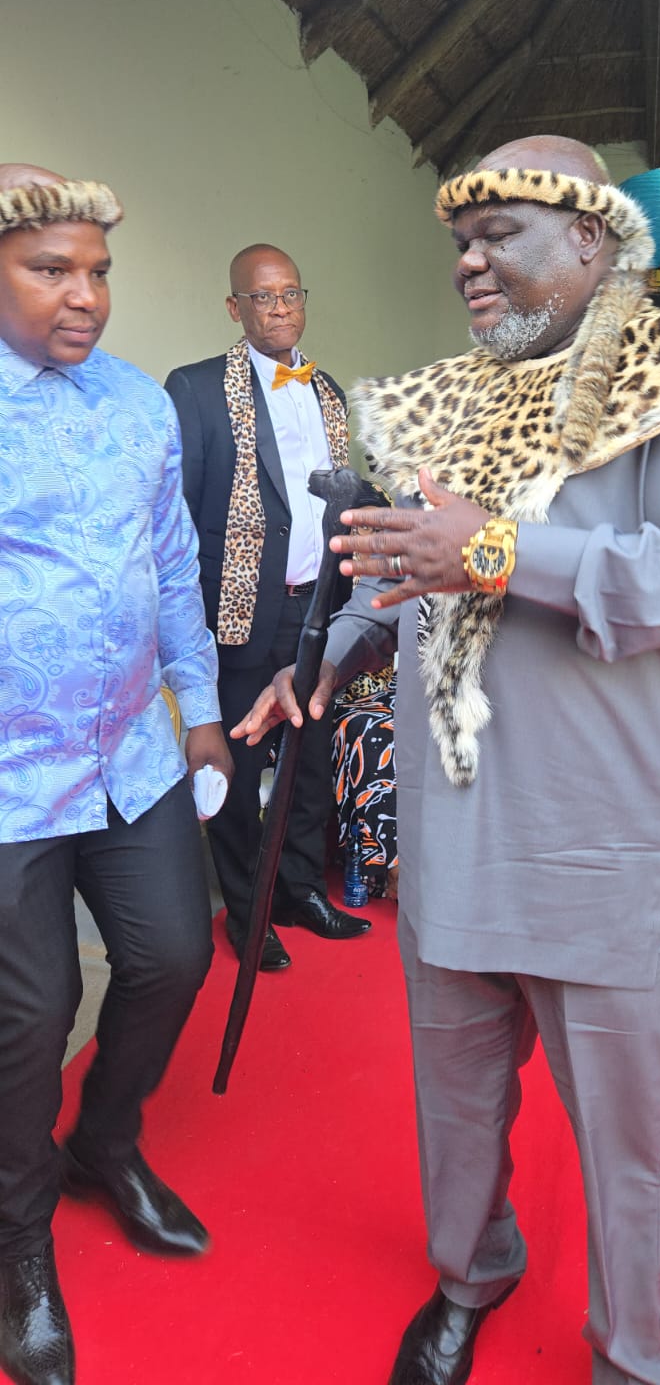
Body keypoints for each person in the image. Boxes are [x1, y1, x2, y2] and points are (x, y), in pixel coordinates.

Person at [233, 136, 660, 1385]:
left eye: (499, 236)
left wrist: (501, 551)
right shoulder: (461, 400)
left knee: (631, 1140)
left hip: (603, 851)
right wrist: (338, 652)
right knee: (457, 1102)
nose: (469, 263)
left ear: (589, 237)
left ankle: (639, 1353)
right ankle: (472, 1273)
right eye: (461, 244)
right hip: (455, 836)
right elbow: (410, 567)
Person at [0, 165, 232, 1385]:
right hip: (8, 778)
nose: (85, 294)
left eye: (97, 271)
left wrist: (201, 711)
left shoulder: (139, 403)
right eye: (51, 270)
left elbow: (175, 566)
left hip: (133, 753)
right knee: (30, 1016)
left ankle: (104, 1139)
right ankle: (19, 1240)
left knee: (174, 955)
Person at [165, 244, 370, 972]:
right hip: (239, 612)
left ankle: (300, 891)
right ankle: (249, 915)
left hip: (317, 609)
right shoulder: (195, 389)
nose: (280, 308)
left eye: (290, 294)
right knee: (239, 760)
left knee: (309, 759)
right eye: (263, 297)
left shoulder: (327, 390)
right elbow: (177, 518)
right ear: (235, 308)